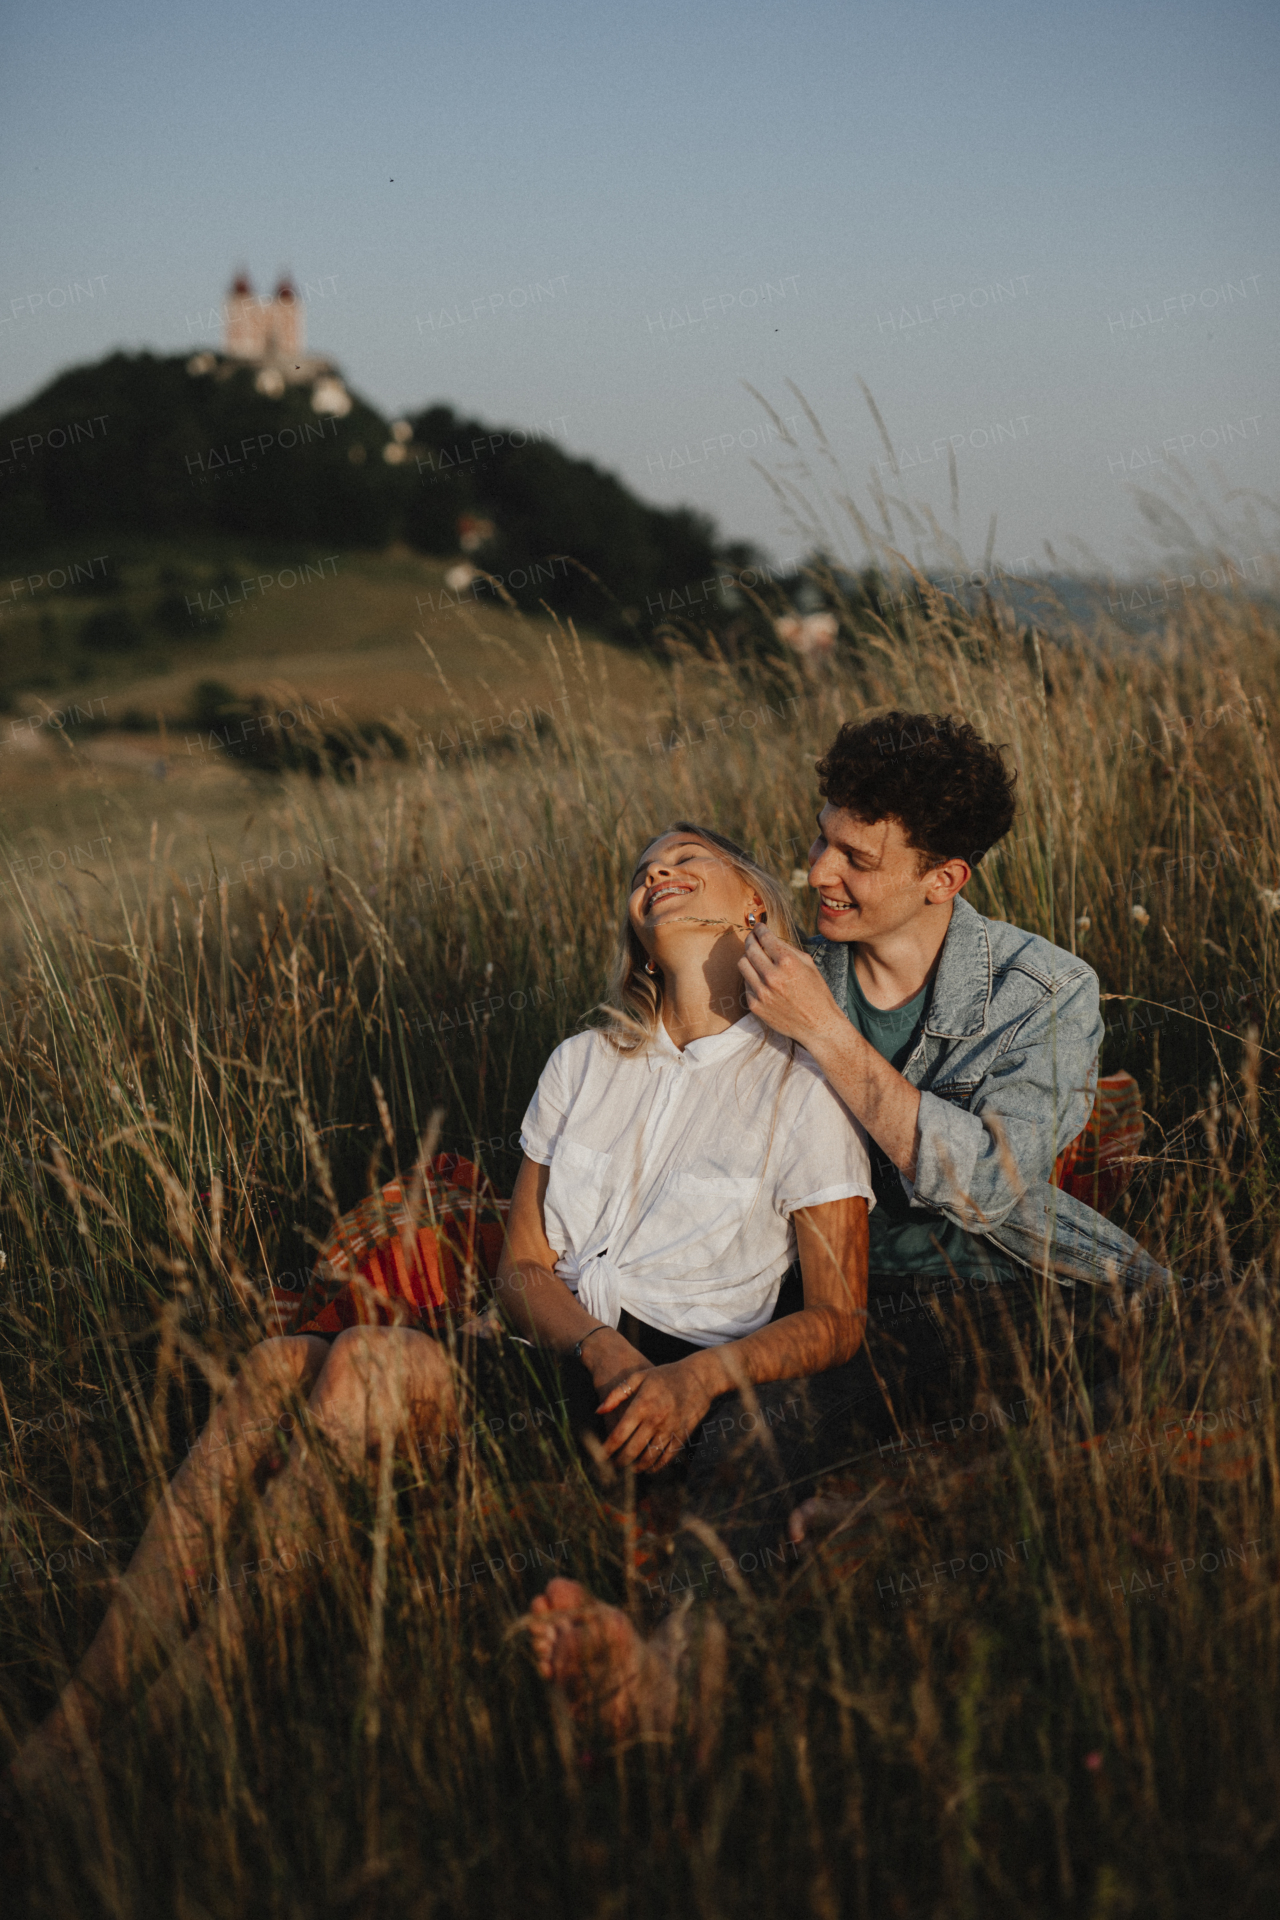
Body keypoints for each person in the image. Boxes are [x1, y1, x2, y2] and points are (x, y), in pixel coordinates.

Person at [7, 822, 875, 1789]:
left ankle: (160, 1738)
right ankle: (74, 1724)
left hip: (690, 1383)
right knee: (273, 1368)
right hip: (564, 1359)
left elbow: (840, 1316)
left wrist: (692, 1378)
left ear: (755, 904)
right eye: (641, 871)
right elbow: (519, 1269)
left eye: (685, 860)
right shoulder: (583, 1063)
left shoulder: (801, 1085)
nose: (655, 873)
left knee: (354, 1370)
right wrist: (594, 1350)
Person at [731, 709, 1172, 1539]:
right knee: (759, 1443)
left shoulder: (1043, 989)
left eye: (856, 859)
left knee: (1192, 1347)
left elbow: (992, 1186)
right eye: (822, 839)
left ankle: (908, 1511)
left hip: (1009, 1286)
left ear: (944, 880)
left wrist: (824, 1030)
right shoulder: (784, 969)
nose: (818, 871)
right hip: (843, 1303)